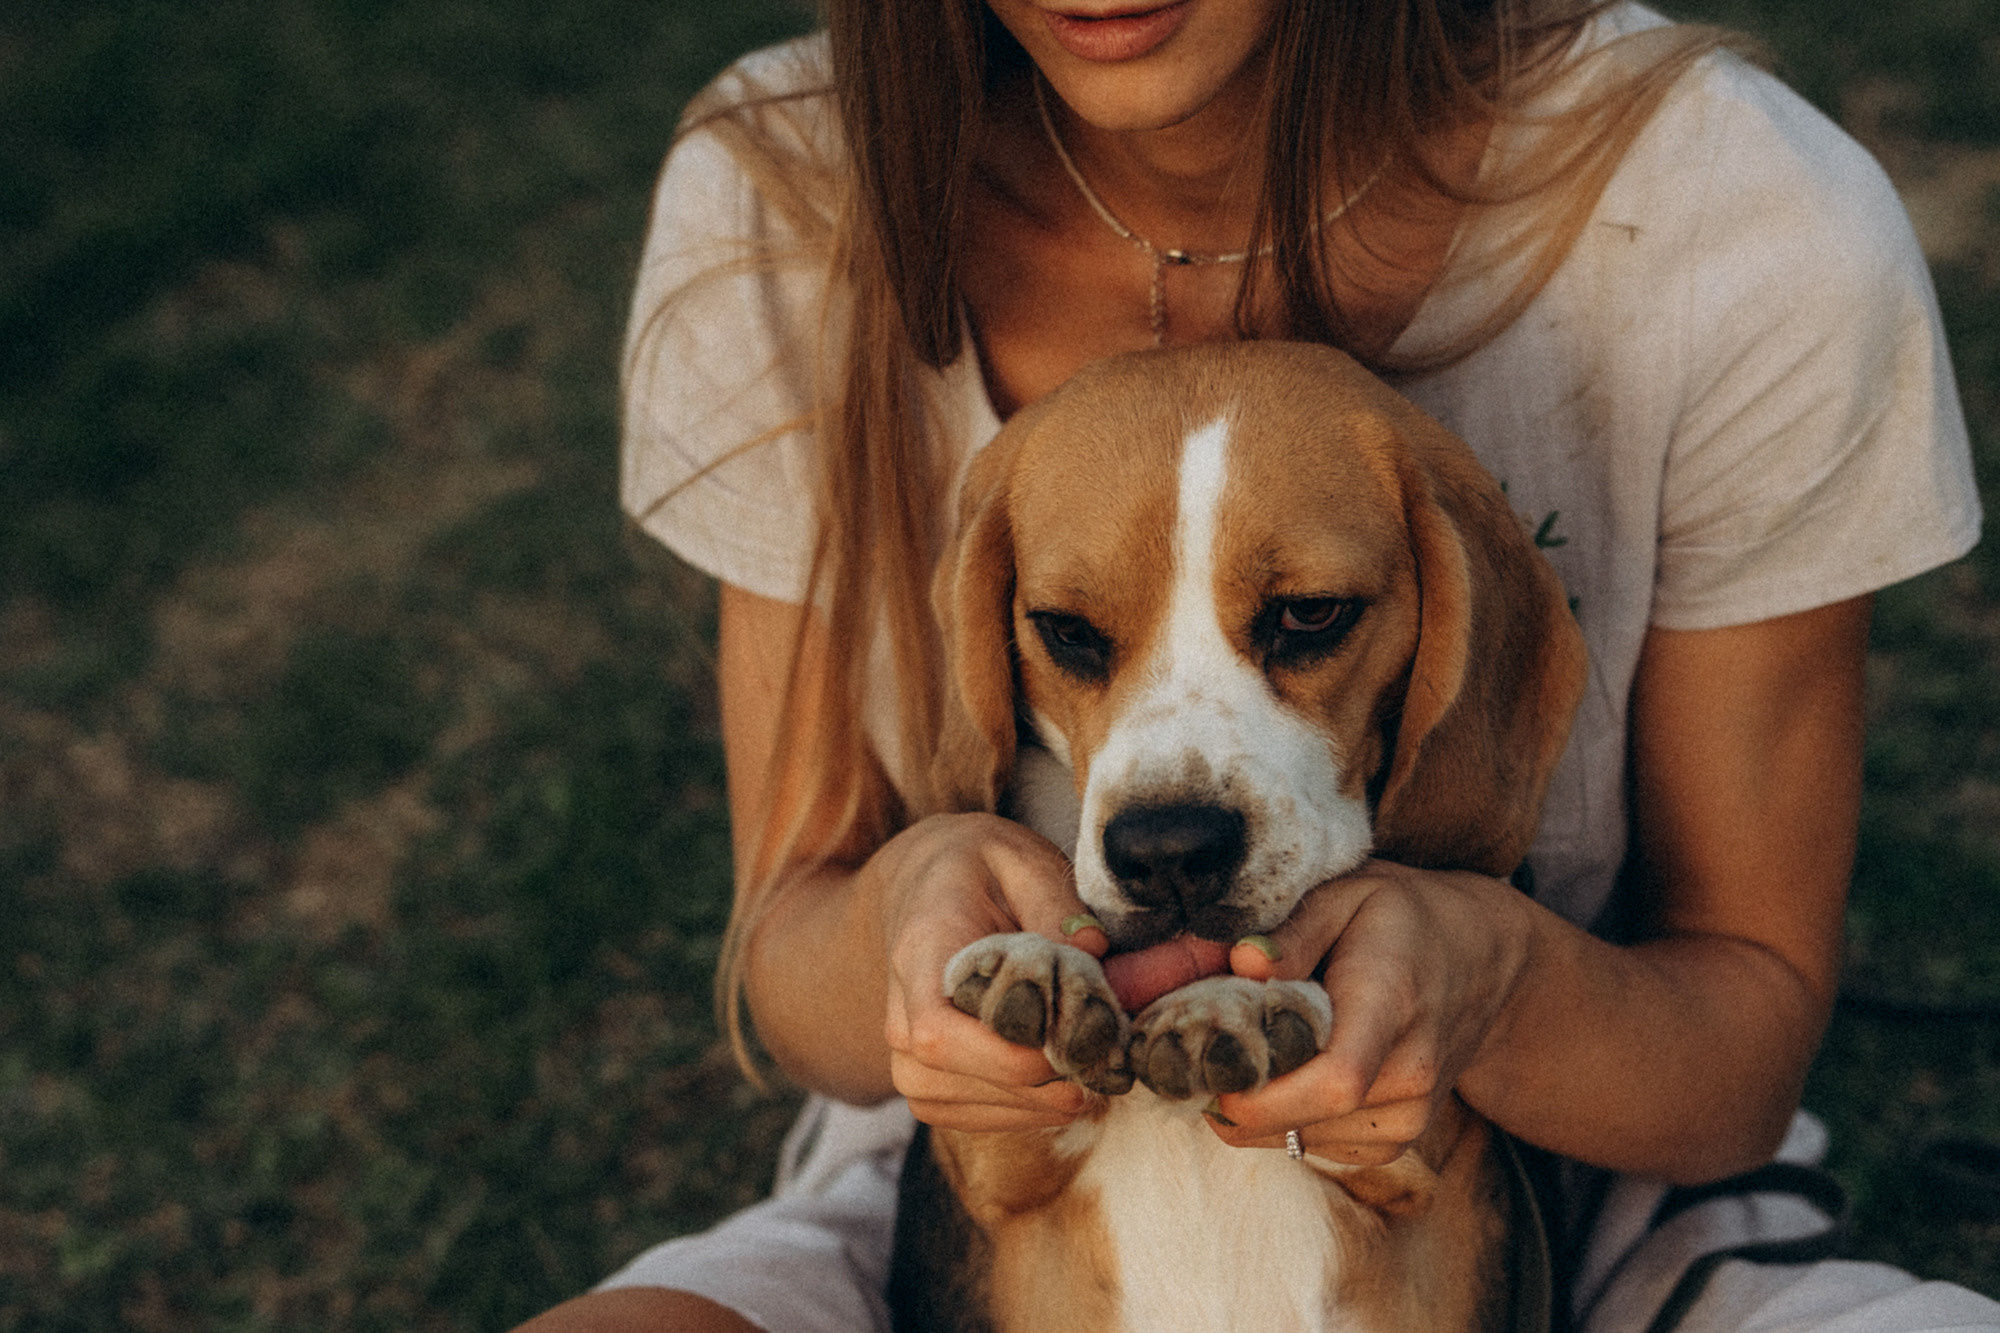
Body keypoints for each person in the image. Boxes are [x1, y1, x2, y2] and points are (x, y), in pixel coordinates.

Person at [522, 1, 2000, 1329]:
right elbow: (793, 956)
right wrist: (919, 930)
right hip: (968, 1171)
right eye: (1078, 641)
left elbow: (1735, 1065)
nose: (1168, 805)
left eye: (1304, 620)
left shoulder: (1740, 221)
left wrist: (1485, 980)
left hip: (1591, 1178)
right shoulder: (785, 198)